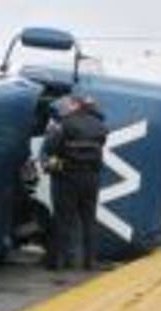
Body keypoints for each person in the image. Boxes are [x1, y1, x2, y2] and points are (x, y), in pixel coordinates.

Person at [40, 95, 109, 270]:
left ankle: (57, 262)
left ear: (76, 105)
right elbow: (99, 144)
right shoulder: (100, 126)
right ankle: (90, 262)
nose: (65, 107)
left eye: (69, 104)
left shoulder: (64, 124)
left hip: (67, 178)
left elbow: (50, 148)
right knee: (88, 220)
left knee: (63, 220)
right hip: (91, 178)